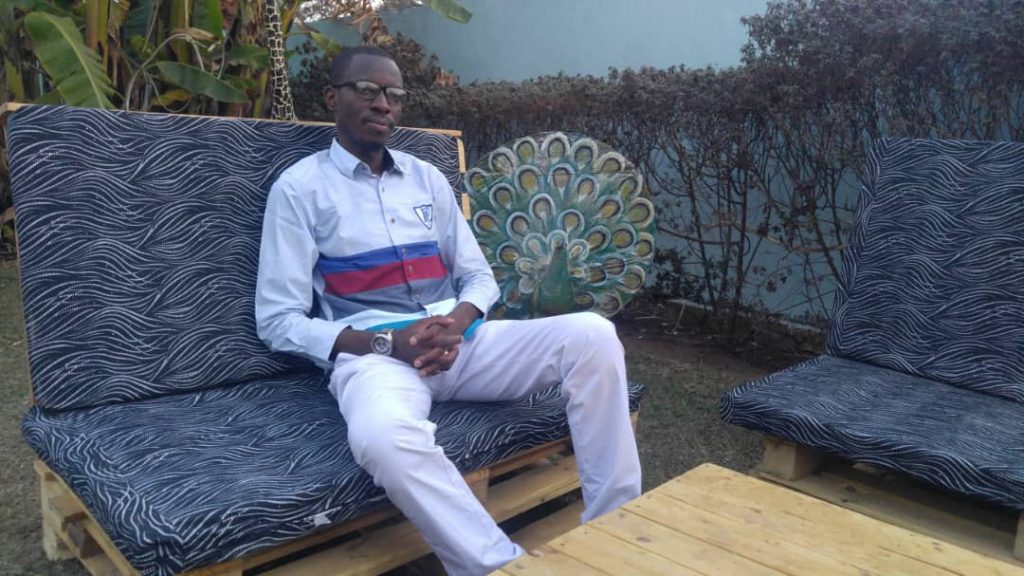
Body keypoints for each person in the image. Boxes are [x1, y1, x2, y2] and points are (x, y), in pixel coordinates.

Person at [255, 46, 641, 576]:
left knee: (593, 335)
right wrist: (389, 343)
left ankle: (615, 529)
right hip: (377, 359)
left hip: (465, 347)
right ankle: (497, 565)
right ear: (331, 97)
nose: (383, 104)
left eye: (394, 95)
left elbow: (478, 277)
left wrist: (457, 325)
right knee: (381, 438)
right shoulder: (300, 189)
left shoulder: (426, 178)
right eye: (366, 90)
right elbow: (278, 320)